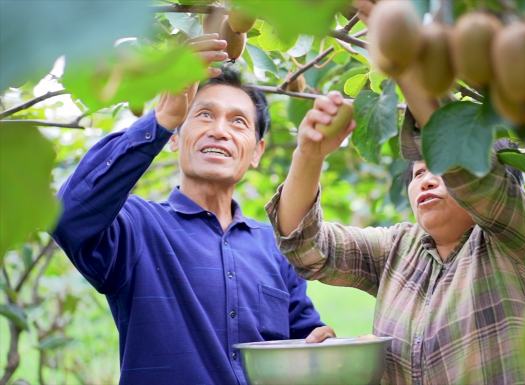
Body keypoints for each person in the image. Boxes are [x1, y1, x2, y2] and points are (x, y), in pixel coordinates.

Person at [52, 34, 333, 385]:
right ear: (175, 138)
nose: (219, 131)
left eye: (238, 122)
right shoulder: (136, 227)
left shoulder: (275, 246)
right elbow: (69, 214)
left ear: (257, 151)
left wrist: (323, 346)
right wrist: (161, 118)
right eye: (203, 115)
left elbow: (304, 342)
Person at [265, 88, 525, 384]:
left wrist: (412, 68)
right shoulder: (397, 249)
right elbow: (306, 247)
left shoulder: (516, 237)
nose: (426, 180)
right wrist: (309, 155)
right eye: (418, 174)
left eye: (440, 168)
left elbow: (478, 183)